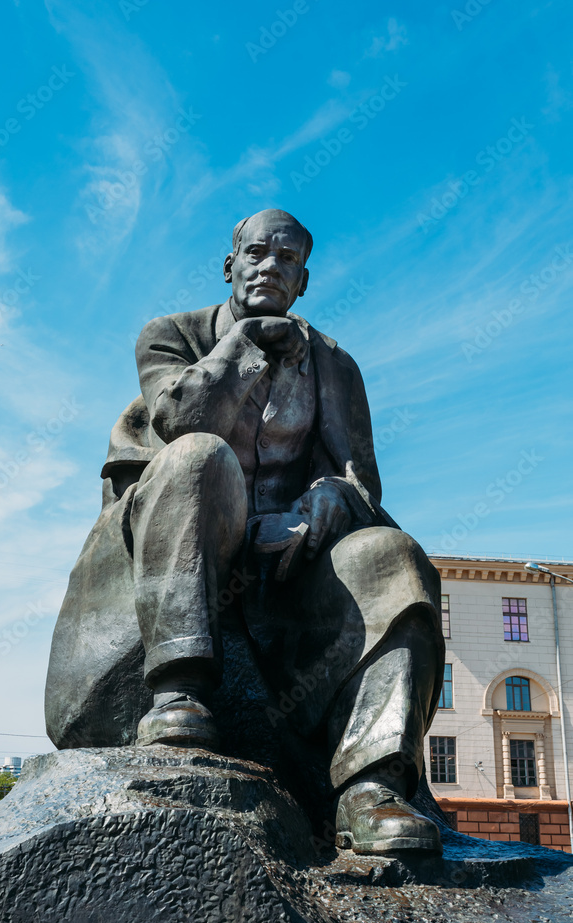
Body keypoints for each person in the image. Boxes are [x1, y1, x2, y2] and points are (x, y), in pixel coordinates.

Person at [46, 210, 445, 855]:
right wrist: (245, 346)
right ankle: (179, 692)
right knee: (200, 457)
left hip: (289, 574)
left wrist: (328, 502)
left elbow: (360, 481)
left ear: (304, 280)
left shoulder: (336, 367)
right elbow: (176, 420)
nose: (270, 266)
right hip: (181, 543)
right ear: (230, 266)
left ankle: (371, 787)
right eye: (256, 253)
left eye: (287, 259)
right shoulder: (171, 334)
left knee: (392, 556)